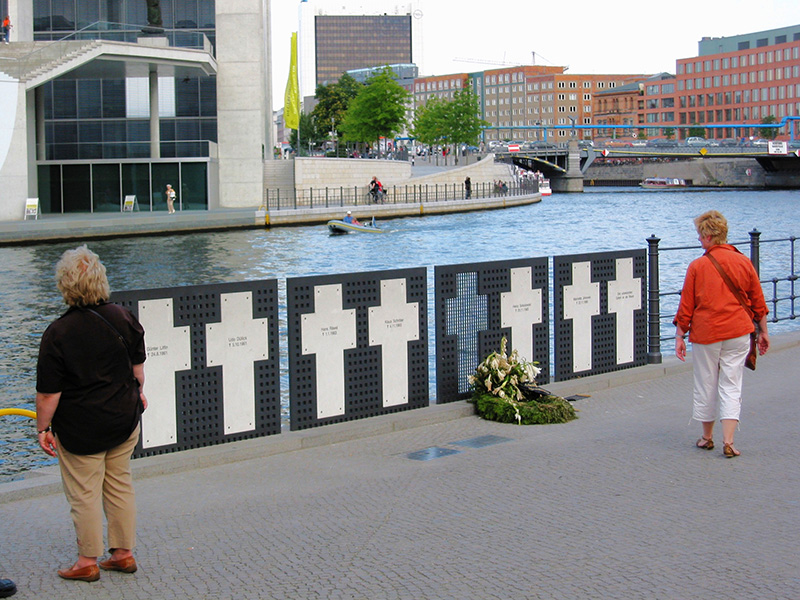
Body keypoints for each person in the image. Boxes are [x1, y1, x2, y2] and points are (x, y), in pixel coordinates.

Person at [36, 246, 148, 581]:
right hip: (123, 420)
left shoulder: (58, 333)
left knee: (84, 492)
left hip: (81, 428)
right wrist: (137, 395)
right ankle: (123, 554)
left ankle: (87, 562)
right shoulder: (124, 317)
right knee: (119, 482)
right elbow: (137, 373)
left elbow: (48, 395)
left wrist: (43, 428)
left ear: (65, 285)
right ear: (101, 281)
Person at [674, 211, 769, 458]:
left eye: (699, 236)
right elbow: (757, 300)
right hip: (738, 331)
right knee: (731, 383)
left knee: (706, 382)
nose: (698, 240)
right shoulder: (743, 262)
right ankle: (729, 441)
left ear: (708, 236)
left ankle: (707, 438)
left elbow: (687, 306)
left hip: (707, 333)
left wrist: (679, 335)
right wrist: (764, 332)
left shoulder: (697, 266)